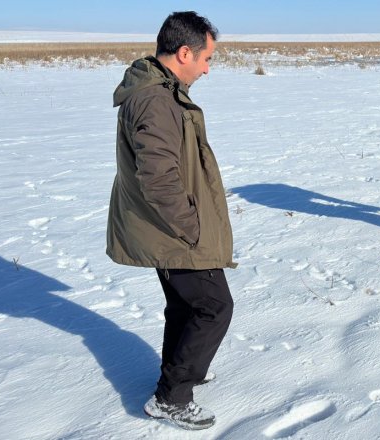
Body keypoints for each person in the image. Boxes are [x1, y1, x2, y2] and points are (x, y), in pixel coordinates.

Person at [106, 11, 235, 430]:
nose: (208, 68)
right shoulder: (156, 99)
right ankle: (172, 398)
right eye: (206, 58)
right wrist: (192, 228)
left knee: (184, 306)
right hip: (173, 230)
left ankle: (183, 372)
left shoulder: (158, 90)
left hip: (167, 227)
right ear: (184, 52)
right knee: (215, 306)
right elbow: (158, 176)